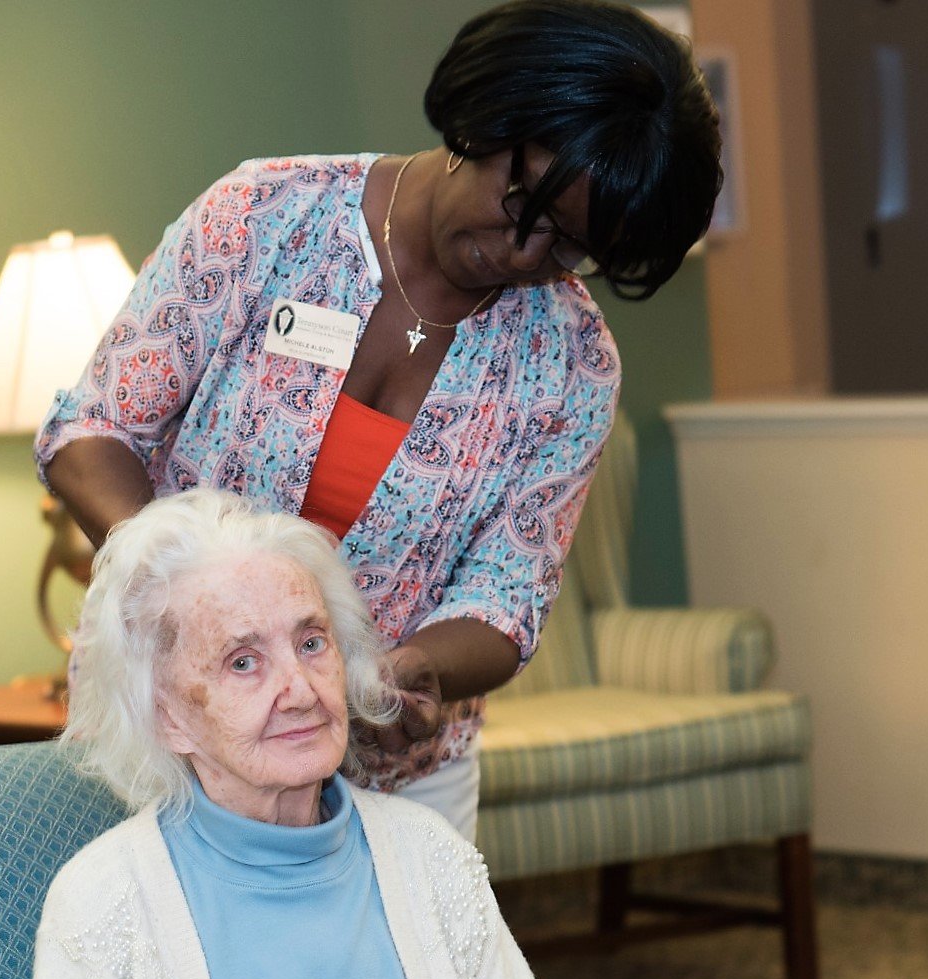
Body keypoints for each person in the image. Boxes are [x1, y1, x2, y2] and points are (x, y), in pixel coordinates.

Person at [36, 0, 721, 838]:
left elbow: (507, 598)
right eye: (521, 204)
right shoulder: (266, 218)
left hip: (400, 781)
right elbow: (93, 433)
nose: (522, 256)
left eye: (568, 249)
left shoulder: (571, 364)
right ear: (486, 116)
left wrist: (418, 669)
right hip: (182, 736)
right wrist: (185, 585)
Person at [22, 489, 639, 979]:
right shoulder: (105, 901)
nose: (301, 687)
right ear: (169, 717)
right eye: (243, 661)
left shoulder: (428, 853)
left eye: (312, 643)